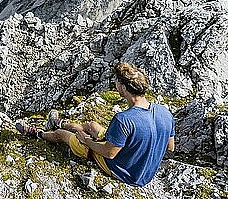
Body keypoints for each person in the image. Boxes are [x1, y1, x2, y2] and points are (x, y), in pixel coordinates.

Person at [16, 62, 175, 187]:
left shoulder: (124, 119)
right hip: (141, 169)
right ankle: (58, 122)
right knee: (92, 126)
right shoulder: (165, 112)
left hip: (123, 171)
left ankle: (38, 133)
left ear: (124, 88)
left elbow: (109, 153)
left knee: (62, 135)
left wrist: (87, 141)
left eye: (118, 83)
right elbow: (170, 148)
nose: (116, 85)